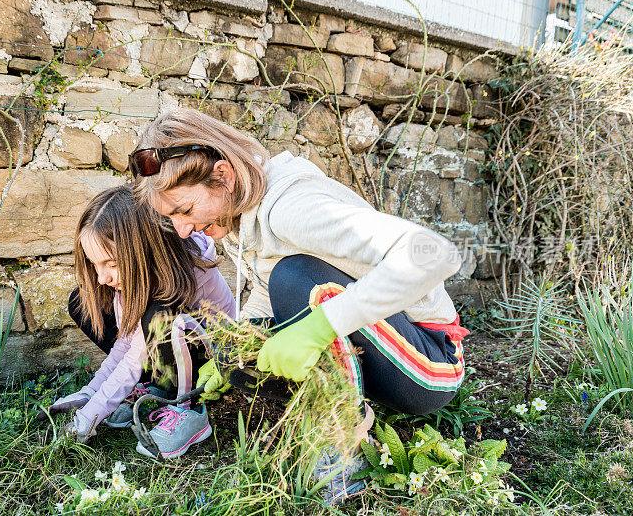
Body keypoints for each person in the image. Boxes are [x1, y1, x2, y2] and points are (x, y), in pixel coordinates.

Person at [130, 108, 470, 501]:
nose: (184, 229)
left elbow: (433, 254)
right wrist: (233, 357)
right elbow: (263, 285)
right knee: (239, 346)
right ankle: (330, 410)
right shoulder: (237, 213)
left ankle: (344, 448)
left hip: (430, 364)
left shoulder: (292, 206)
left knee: (296, 277)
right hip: (384, 348)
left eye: (184, 211)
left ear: (223, 175)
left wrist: (318, 328)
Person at [41, 185, 235, 459]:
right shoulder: (134, 278)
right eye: (95, 264)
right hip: (166, 354)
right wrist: (90, 393)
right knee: (82, 301)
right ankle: (151, 387)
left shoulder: (182, 276)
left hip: (210, 361)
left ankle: (187, 411)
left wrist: (88, 419)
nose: (102, 277)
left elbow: (135, 356)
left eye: (112, 264)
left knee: (159, 314)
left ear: (142, 252)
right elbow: (125, 344)